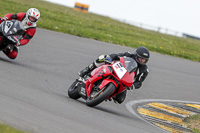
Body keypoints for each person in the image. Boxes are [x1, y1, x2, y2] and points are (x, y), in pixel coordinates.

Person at [78, 46, 150, 104]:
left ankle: (107, 93)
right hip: (114, 69)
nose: (142, 61)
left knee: (120, 99)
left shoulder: (144, 70)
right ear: (136, 55)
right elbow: (116, 55)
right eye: (141, 59)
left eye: (144, 60)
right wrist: (110, 58)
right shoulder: (128, 55)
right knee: (103, 57)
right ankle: (86, 70)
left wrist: (132, 86)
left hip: (124, 80)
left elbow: (139, 82)